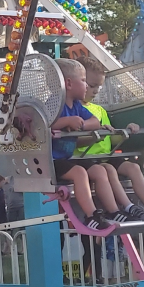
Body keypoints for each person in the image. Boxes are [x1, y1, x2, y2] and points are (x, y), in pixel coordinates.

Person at [73, 55, 144, 221]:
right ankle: (126, 208)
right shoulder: (74, 110)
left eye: (99, 87)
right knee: (107, 170)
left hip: (105, 157)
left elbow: (111, 140)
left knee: (133, 168)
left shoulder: (100, 111)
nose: (95, 91)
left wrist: (127, 131)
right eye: (91, 85)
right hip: (85, 158)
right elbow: (76, 141)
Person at [50, 58, 124, 229]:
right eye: (83, 81)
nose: (86, 86)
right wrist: (66, 121)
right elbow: (45, 123)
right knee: (80, 173)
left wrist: (81, 124)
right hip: (52, 161)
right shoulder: (55, 104)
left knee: (97, 171)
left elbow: (95, 121)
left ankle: (114, 211)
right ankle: (91, 216)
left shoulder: (76, 106)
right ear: (68, 83)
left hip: (66, 159)